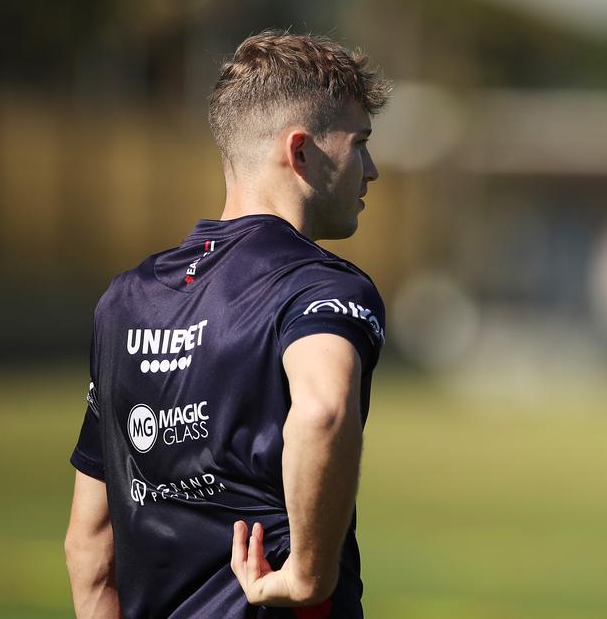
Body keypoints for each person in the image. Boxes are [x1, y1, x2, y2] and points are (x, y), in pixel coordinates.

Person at [64, 30, 390, 618]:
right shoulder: (320, 285)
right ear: (300, 152)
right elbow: (323, 411)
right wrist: (309, 578)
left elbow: (90, 552)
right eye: (359, 143)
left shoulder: (126, 299)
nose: (371, 171)